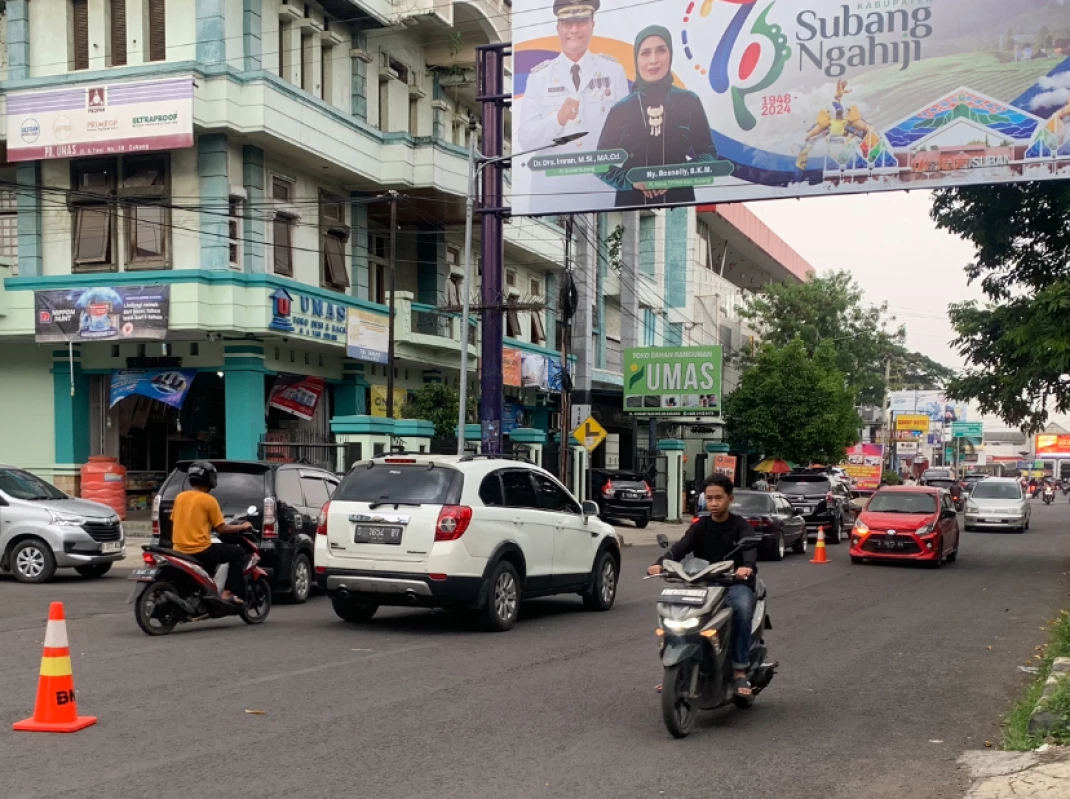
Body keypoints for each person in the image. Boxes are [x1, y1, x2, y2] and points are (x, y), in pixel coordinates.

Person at [647, 473, 758, 697]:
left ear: (730, 499)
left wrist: (746, 567)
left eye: (718, 498)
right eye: (709, 499)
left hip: (733, 584)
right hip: (702, 585)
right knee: (677, 614)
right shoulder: (701, 526)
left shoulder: (740, 526)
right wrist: (660, 564)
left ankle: (739, 670)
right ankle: (676, 670)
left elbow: (749, 550)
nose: (714, 503)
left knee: (742, 609)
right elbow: (681, 547)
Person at [517, 0, 629, 214]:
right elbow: (526, 138)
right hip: (550, 194)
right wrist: (558, 120)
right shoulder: (539, 77)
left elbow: (627, 134)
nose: (574, 30)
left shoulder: (613, 72)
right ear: (558, 28)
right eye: (568, 23)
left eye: (581, 21)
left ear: (592, 25)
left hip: (599, 194)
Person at [597, 26, 720, 208]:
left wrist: (675, 176)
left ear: (670, 54)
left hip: (679, 201)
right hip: (630, 203)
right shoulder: (621, 109)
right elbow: (599, 163)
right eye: (645, 53)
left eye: (661, 50)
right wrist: (630, 180)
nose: (653, 60)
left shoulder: (688, 100)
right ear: (636, 60)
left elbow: (708, 153)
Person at [170, 461, 253, 604]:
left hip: (178, 549)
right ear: (210, 479)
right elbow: (221, 528)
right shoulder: (209, 500)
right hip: (200, 550)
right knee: (238, 552)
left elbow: (175, 519)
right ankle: (228, 592)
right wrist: (243, 526)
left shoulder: (180, 497)